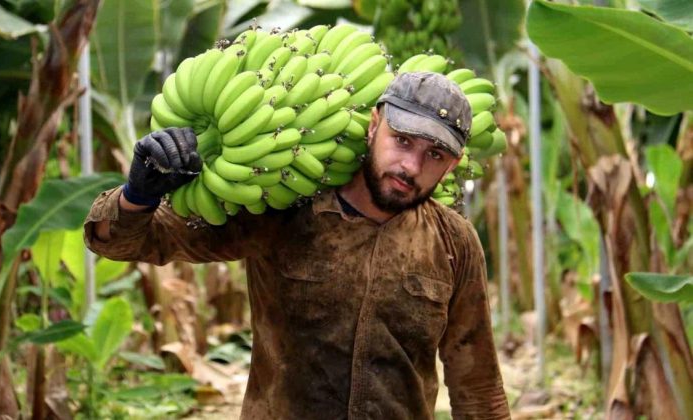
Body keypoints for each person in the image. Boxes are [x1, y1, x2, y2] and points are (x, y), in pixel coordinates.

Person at [84, 71, 510, 419]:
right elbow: (135, 241)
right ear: (374, 125)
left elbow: (477, 383)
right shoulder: (282, 205)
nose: (411, 166)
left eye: (435, 155)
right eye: (402, 141)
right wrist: (137, 196)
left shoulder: (453, 242)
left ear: (452, 164)